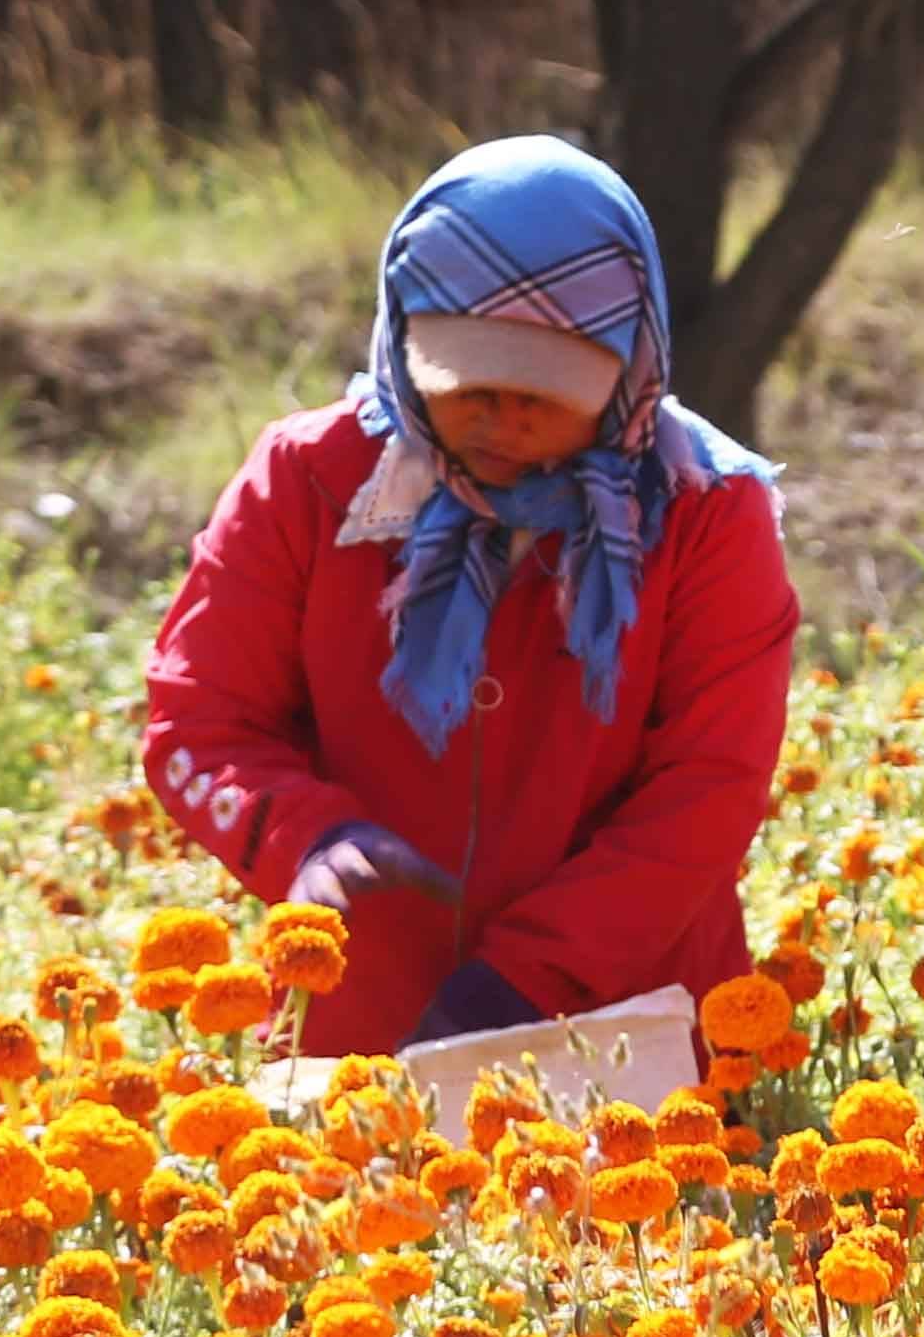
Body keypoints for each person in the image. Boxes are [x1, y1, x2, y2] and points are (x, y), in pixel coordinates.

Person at [143, 136, 793, 1057]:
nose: (503, 419)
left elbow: (707, 792)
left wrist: (525, 981)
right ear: (403, 346)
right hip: (359, 1022)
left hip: (621, 1031)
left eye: (546, 391)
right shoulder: (308, 481)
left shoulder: (703, 511)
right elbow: (198, 720)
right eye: (467, 383)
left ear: (630, 363)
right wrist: (306, 839)